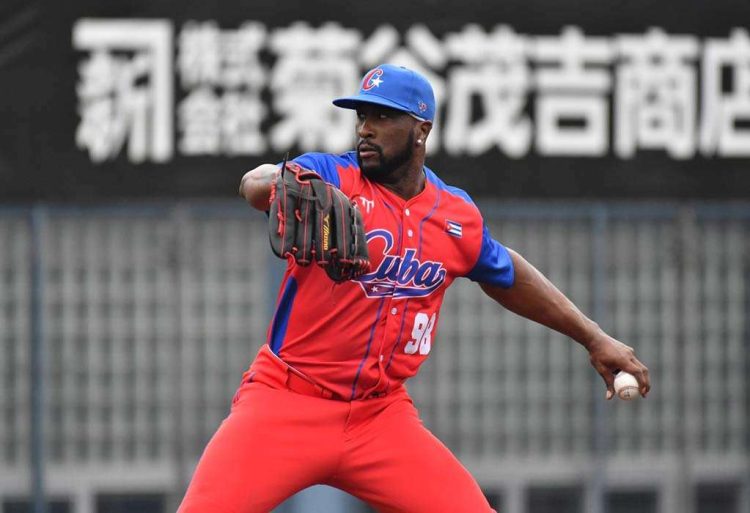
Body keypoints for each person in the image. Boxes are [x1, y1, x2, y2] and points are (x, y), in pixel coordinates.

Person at [177, 64, 650, 513]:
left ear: (421, 129)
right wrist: (281, 182)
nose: (366, 128)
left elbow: (507, 273)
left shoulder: (454, 215)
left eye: (383, 116)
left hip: (379, 418)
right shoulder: (333, 176)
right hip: (286, 402)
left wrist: (594, 338)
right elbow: (253, 184)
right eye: (363, 115)